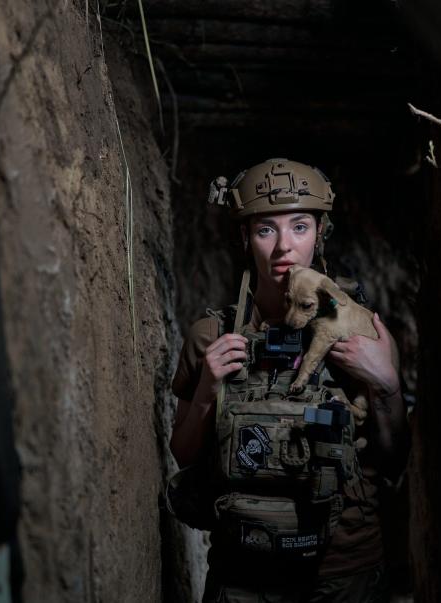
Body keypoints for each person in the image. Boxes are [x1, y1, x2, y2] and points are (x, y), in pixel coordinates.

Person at [169, 158, 410, 602]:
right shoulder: (212, 335)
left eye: (300, 226)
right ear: (245, 237)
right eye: (265, 230)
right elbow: (183, 453)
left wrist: (386, 383)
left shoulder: (365, 333)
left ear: (321, 233)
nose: (284, 247)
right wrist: (208, 387)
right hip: (245, 570)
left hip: (343, 572)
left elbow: (393, 462)